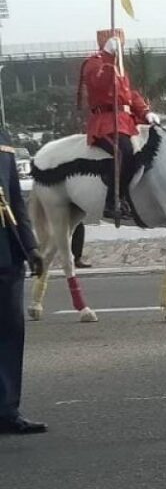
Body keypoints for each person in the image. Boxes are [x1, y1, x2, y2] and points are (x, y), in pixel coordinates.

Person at [79, 30, 160, 219]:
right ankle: (112, 200)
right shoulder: (94, 62)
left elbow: (129, 95)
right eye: (116, 44)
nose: (120, 48)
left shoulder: (120, 67)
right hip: (105, 122)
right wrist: (108, 56)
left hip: (125, 122)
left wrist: (146, 112)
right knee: (124, 152)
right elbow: (98, 83)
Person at [0, 130, 46, 435]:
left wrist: (30, 246)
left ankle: (6, 411)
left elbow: (15, 198)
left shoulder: (2, 142)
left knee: (9, 333)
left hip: (6, 250)